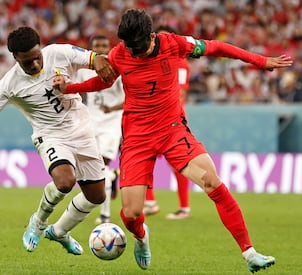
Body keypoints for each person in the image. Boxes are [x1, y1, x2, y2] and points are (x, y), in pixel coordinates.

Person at [53, 9, 292, 272]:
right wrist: (70, 88)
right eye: (129, 47)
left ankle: (250, 253)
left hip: (172, 130)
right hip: (137, 139)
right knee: (131, 214)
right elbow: (103, 82)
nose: (133, 52)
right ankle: (141, 237)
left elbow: (216, 47)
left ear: (151, 36)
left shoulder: (174, 44)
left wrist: (259, 61)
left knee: (213, 183)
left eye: (137, 47)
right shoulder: (120, 53)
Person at [0, 26, 117, 256]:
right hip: (51, 135)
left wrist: (101, 62)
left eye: (37, 57)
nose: (35, 64)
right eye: (27, 62)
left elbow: (94, 59)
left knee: (97, 196)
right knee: (65, 182)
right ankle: (39, 221)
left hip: (83, 130)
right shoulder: (8, 84)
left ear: (41, 47)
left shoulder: (60, 53)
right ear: (15, 58)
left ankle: (60, 232)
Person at [143, 25, 192, 220]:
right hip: (153, 118)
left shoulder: (180, 63)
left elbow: (180, 92)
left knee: (177, 163)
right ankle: (150, 202)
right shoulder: (154, 60)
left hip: (170, 119)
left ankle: (184, 207)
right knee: (145, 159)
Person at [76, 35, 125, 224]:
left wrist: (112, 108)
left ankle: (105, 215)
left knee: (101, 165)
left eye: (105, 44)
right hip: (90, 122)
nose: (102, 48)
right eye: (97, 45)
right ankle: (111, 179)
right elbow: (79, 93)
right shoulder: (84, 71)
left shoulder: (118, 69)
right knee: (91, 168)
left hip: (111, 123)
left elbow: (130, 97)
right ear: (91, 48)